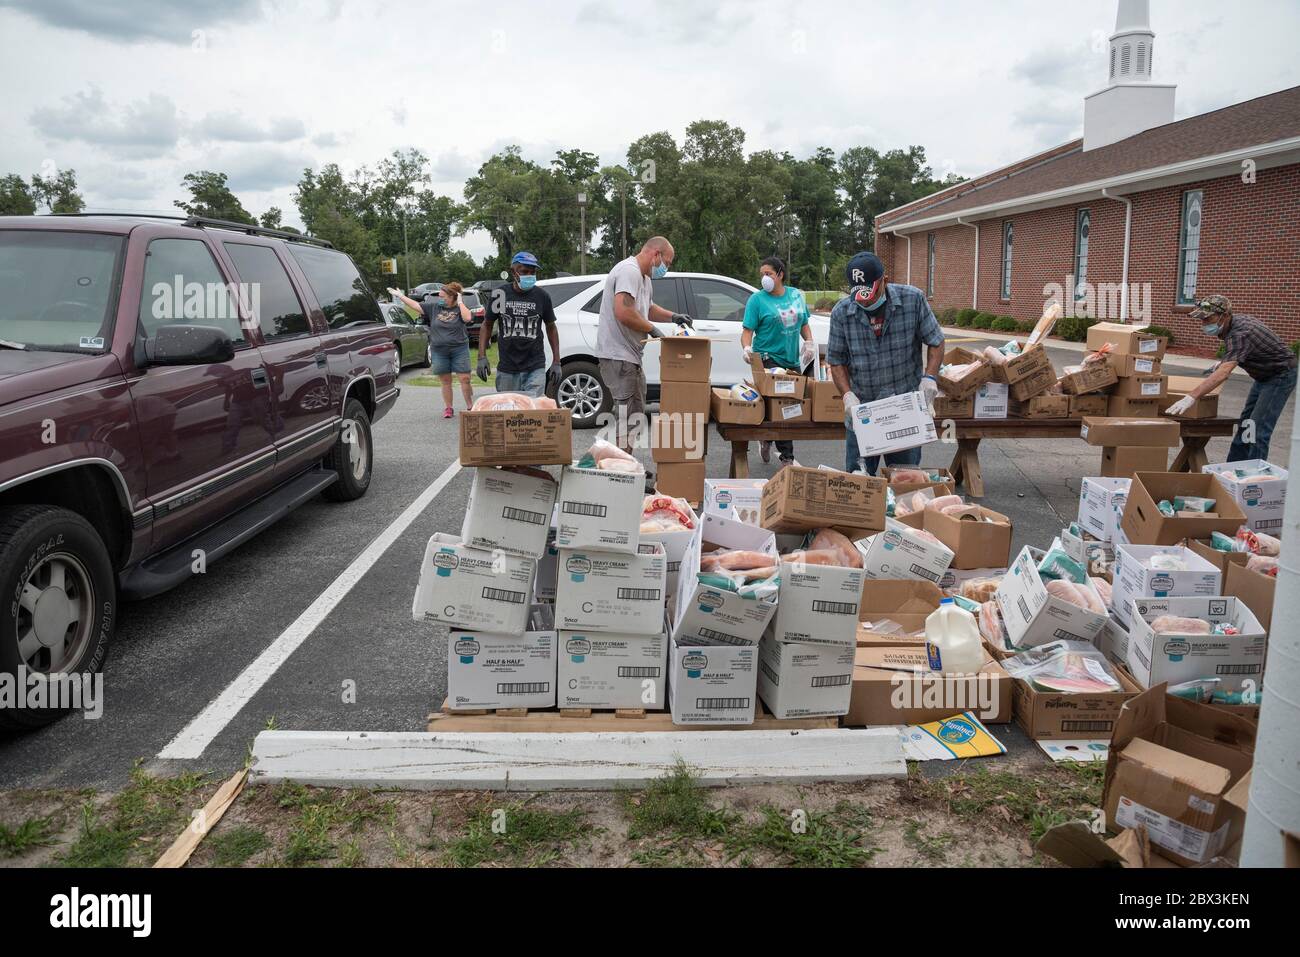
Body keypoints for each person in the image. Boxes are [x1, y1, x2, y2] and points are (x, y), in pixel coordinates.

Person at [827, 251, 944, 474]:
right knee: (858, 481)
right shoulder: (842, 313)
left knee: (905, 480)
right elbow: (836, 360)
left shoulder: (913, 300)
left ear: (884, 281)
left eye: (870, 294)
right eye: (860, 296)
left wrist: (929, 378)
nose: (866, 300)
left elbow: (936, 341)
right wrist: (847, 395)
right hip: (863, 412)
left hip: (904, 408)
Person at [595, 236, 693, 475]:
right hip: (619, 355)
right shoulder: (628, 271)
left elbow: (646, 308)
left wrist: (673, 317)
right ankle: (619, 473)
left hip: (630, 356)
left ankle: (625, 465)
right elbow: (623, 310)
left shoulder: (644, 278)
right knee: (627, 416)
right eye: (666, 263)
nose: (666, 268)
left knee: (634, 415)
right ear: (655, 254)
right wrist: (651, 328)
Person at [1165, 295, 1297, 462]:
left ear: (1225, 315)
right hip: (1263, 376)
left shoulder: (1241, 333)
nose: (1205, 324)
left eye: (1209, 319)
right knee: (1246, 424)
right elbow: (1243, 350)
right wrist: (1225, 360)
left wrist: (1191, 397)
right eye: (1202, 320)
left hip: (1280, 375)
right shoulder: (1233, 324)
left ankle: (1255, 478)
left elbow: (1224, 373)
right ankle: (1233, 469)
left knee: (1257, 428)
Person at [741, 255, 815, 467]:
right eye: (762, 274)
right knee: (782, 405)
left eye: (769, 274)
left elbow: (804, 322)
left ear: (780, 274)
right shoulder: (757, 300)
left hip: (791, 361)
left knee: (790, 408)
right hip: (768, 359)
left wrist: (809, 342)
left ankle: (767, 438)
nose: (764, 278)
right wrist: (747, 348)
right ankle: (787, 457)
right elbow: (747, 331)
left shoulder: (795, 295)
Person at [477, 251, 560, 398]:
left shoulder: (542, 296)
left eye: (532, 272)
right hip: (507, 368)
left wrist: (556, 361)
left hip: (535, 366)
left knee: (532, 412)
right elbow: (487, 324)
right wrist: (481, 357)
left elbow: (551, 327)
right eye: (524, 271)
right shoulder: (500, 294)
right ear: (513, 272)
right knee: (509, 412)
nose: (529, 275)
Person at [394, 282, 473, 418]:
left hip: (459, 349)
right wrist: (400, 295)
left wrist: (460, 302)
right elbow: (415, 305)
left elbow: (467, 318)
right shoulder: (434, 307)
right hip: (439, 350)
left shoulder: (460, 308)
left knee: (465, 378)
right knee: (445, 380)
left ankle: (470, 406)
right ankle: (448, 408)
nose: (440, 299)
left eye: (443, 297)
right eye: (439, 296)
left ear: (452, 297)